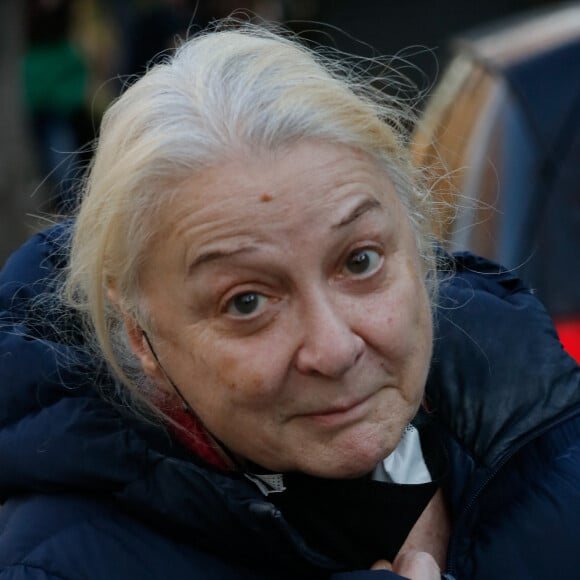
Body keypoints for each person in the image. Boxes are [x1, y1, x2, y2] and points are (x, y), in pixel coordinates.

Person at [1, 19, 580, 580]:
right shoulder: (55, 567)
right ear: (139, 337)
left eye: (360, 261)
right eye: (247, 301)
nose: (334, 349)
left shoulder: (546, 427)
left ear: (415, 238)